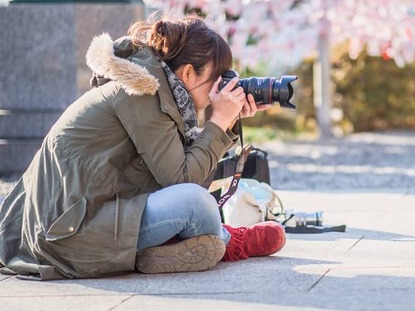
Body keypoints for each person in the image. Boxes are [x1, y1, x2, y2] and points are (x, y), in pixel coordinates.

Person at [0, 15, 286, 280]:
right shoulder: (142, 94)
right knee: (195, 203)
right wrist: (219, 121)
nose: (218, 91)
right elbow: (184, 181)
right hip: (68, 235)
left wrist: (227, 124)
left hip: (78, 220)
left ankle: (169, 248)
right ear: (188, 74)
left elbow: (184, 174)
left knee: (196, 202)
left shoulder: (154, 91)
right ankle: (230, 242)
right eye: (216, 79)